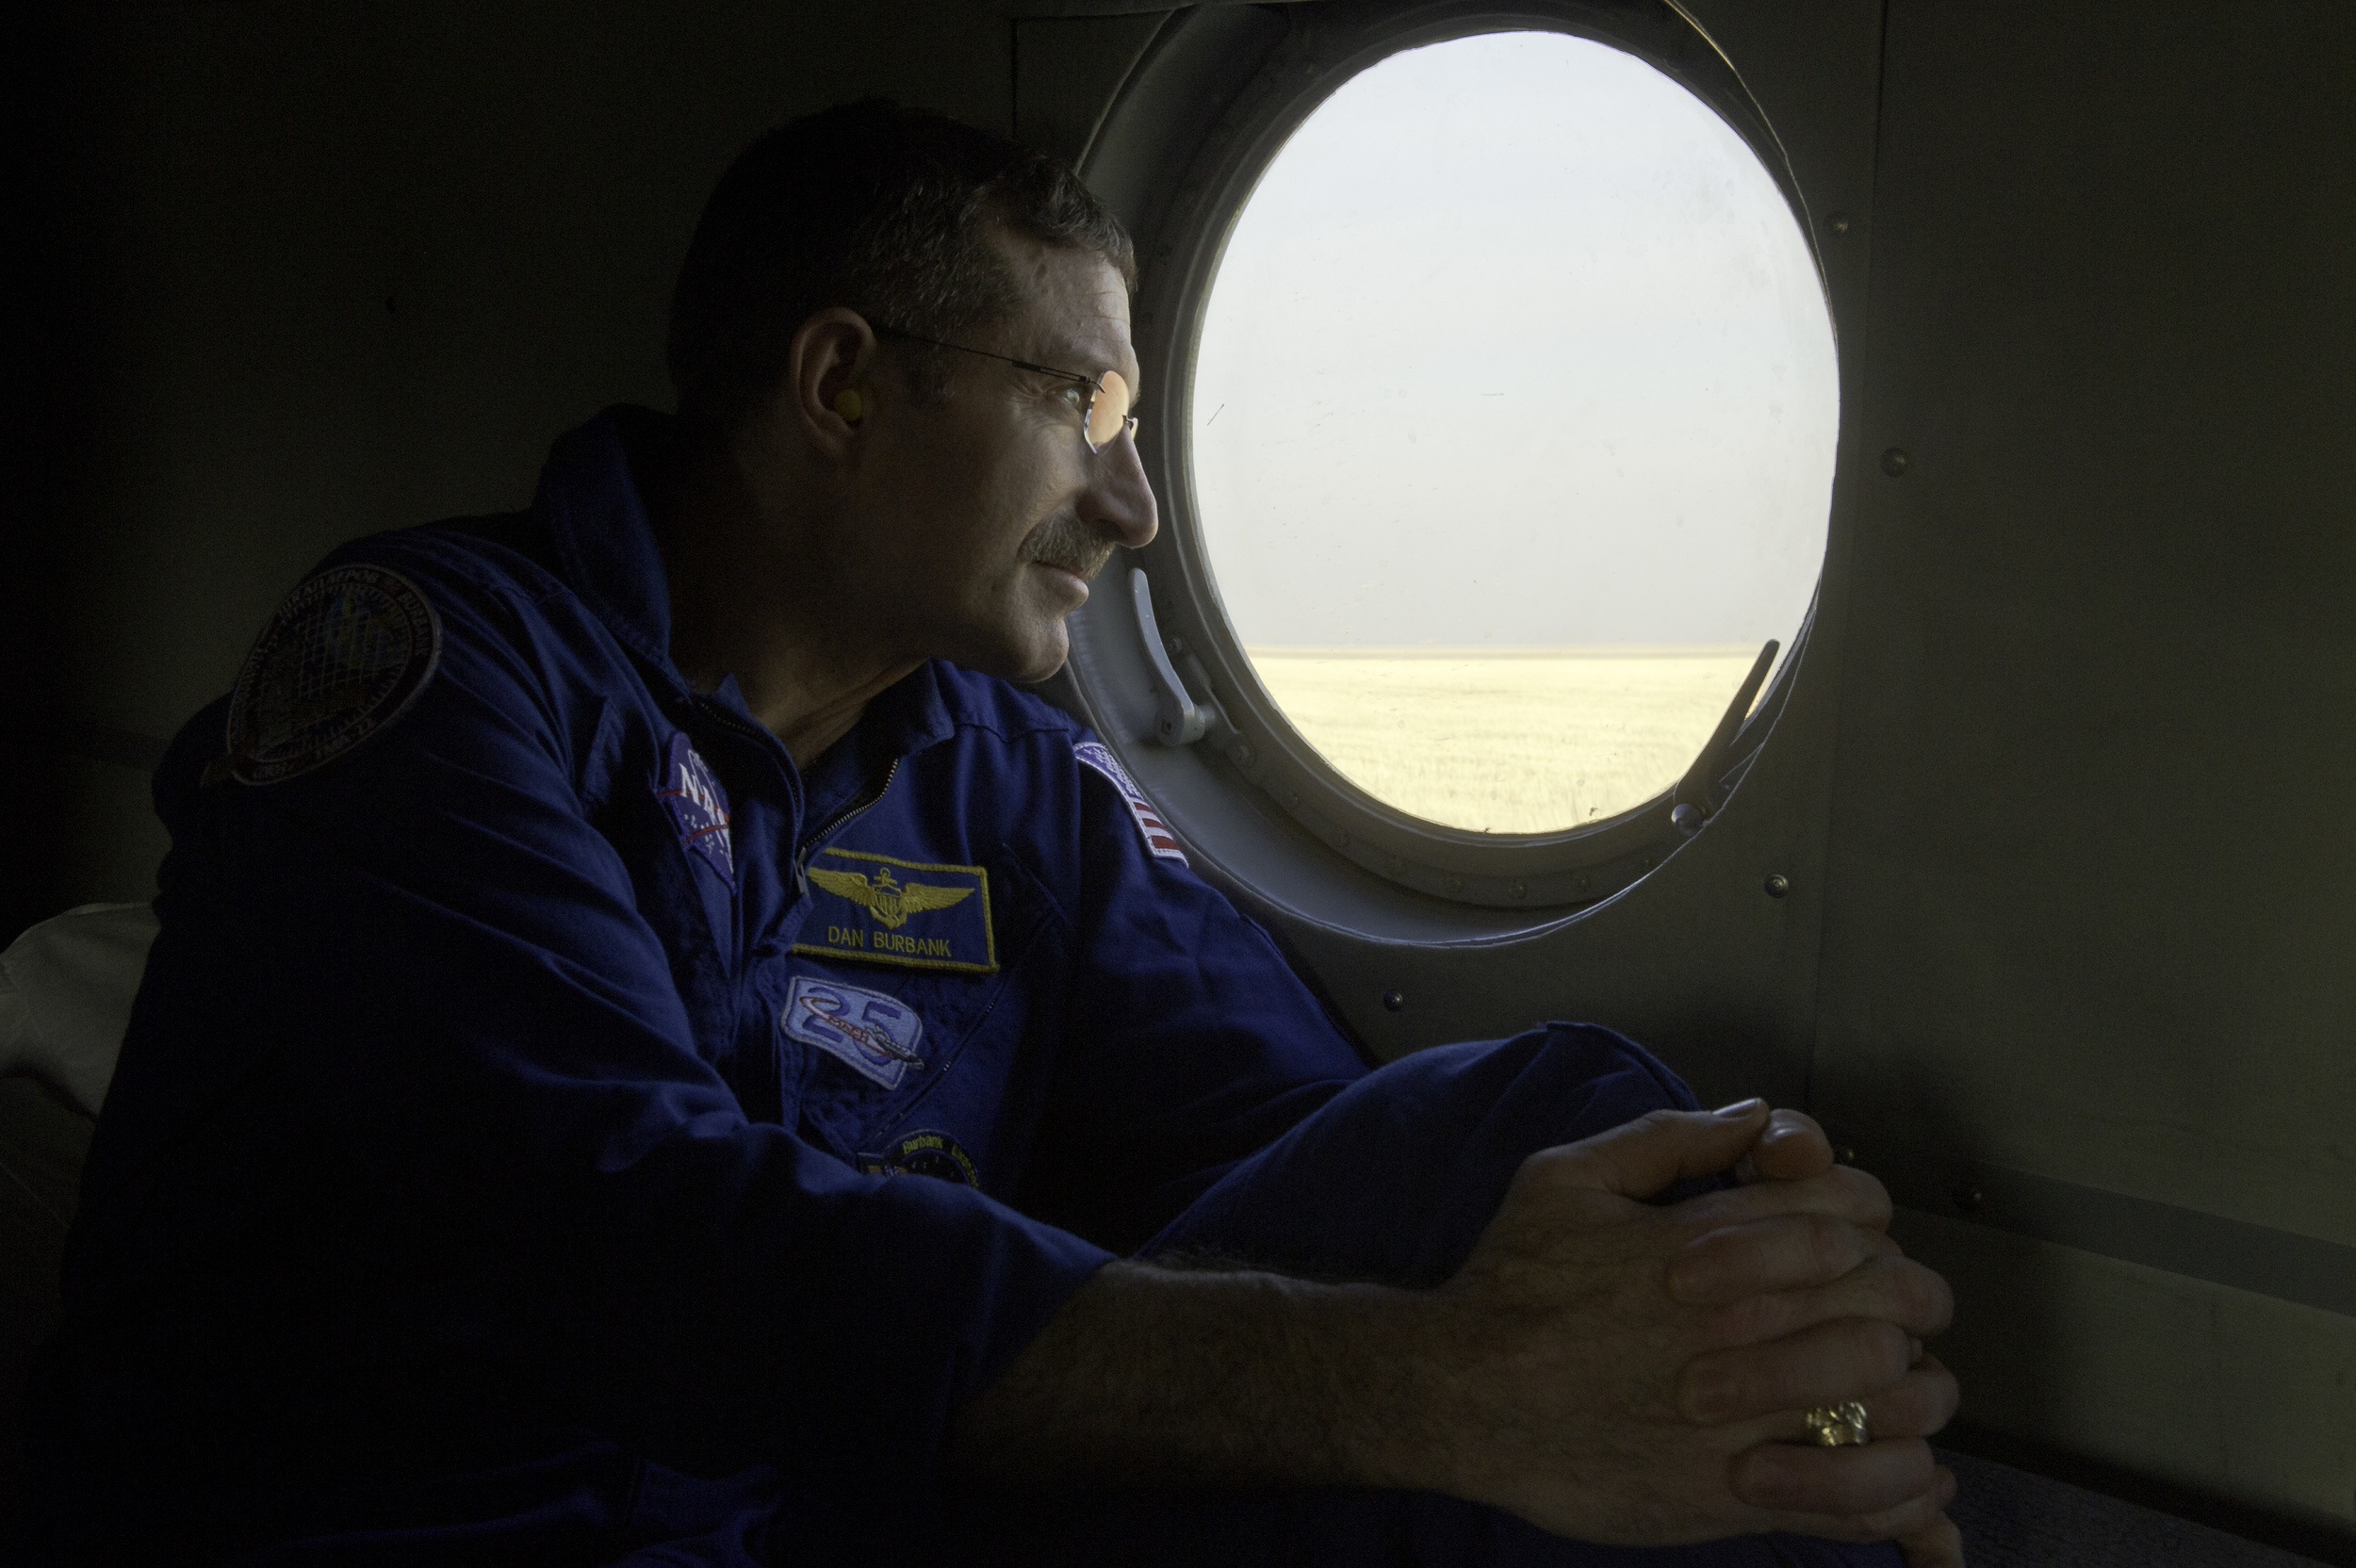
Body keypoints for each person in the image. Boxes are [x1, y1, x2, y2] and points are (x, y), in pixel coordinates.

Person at [24, 101, 1963, 1567]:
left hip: (833, 1511)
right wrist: (1447, 1389)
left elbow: (1283, 1143)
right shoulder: (434, 672)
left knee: (1552, 1113)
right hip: (415, 1524)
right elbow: (637, 1237)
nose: (1133, 503)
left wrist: (1723, 1282)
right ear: (842, 385)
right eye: (1080, 401)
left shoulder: (1004, 772)